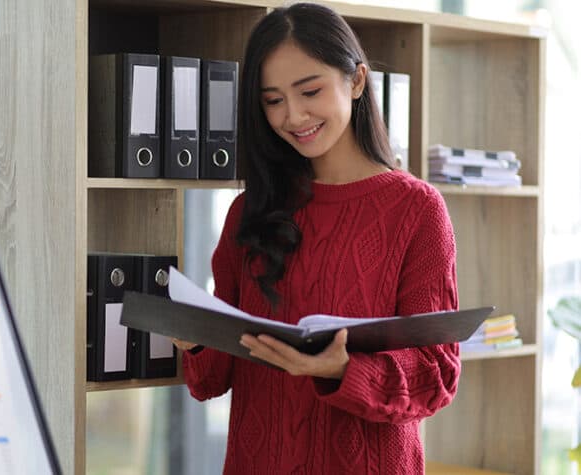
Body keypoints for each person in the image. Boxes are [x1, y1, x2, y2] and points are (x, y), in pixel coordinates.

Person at [172, 3, 460, 474]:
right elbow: (211, 382)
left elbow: (437, 374)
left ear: (357, 81)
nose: (293, 115)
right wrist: (195, 341)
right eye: (273, 100)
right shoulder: (251, 211)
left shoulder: (417, 210)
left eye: (310, 91)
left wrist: (341, 370)